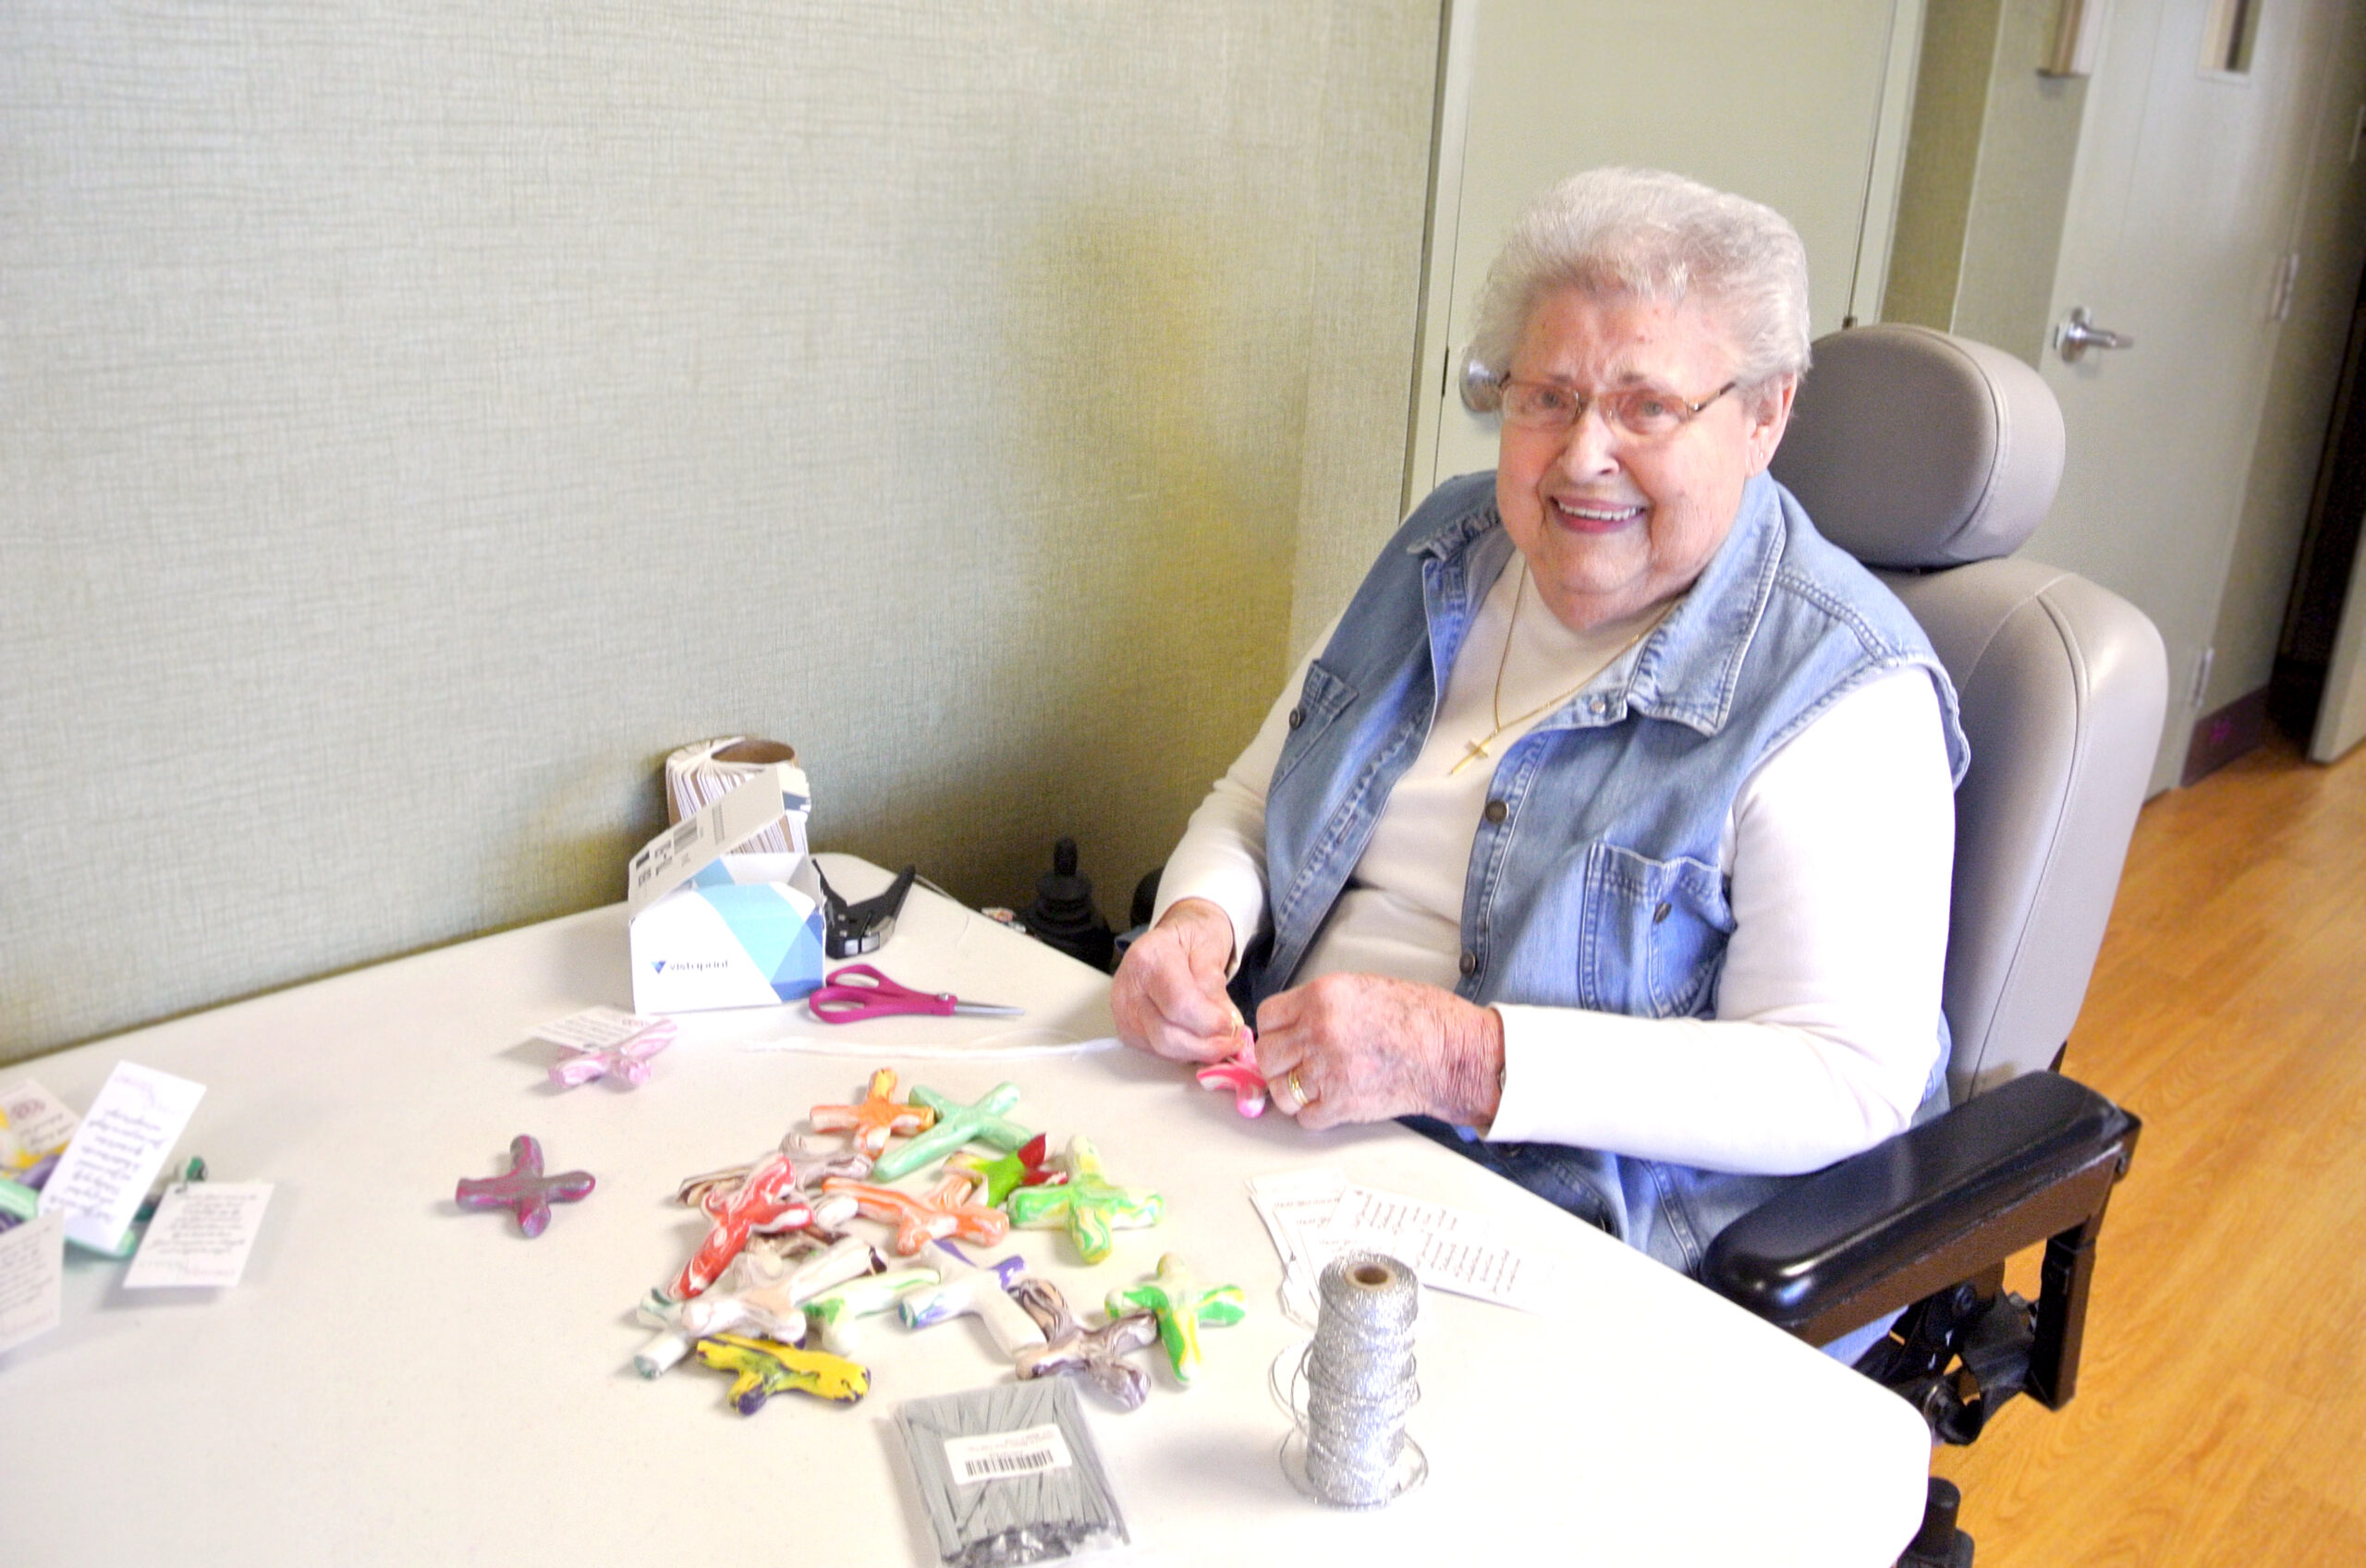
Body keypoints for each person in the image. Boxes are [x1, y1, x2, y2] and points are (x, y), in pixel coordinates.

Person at [1111, 167, 1968, 1281]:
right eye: (1545, 396)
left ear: (1765, 414)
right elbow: (1249, 802)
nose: (1581, 456)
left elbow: (1841, 1074)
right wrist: (1197, 925)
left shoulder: (1847, 688)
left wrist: (1460, 1059)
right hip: (1272, 1132)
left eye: (1647, 406)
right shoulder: (1446, 545)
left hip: (1548, 1234)